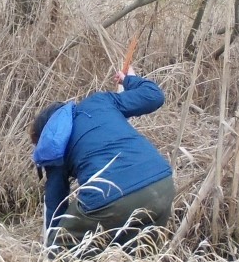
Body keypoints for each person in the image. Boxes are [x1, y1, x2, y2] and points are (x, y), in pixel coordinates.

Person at [31, 71, 174, 247]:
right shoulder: (100, 101)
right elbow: (154, 96)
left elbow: (55, 205)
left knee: (62, 246)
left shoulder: (54, 144)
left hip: (113, 195)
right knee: (138, 255)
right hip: (161, 183)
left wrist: (51, 246)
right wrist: (128, 80)